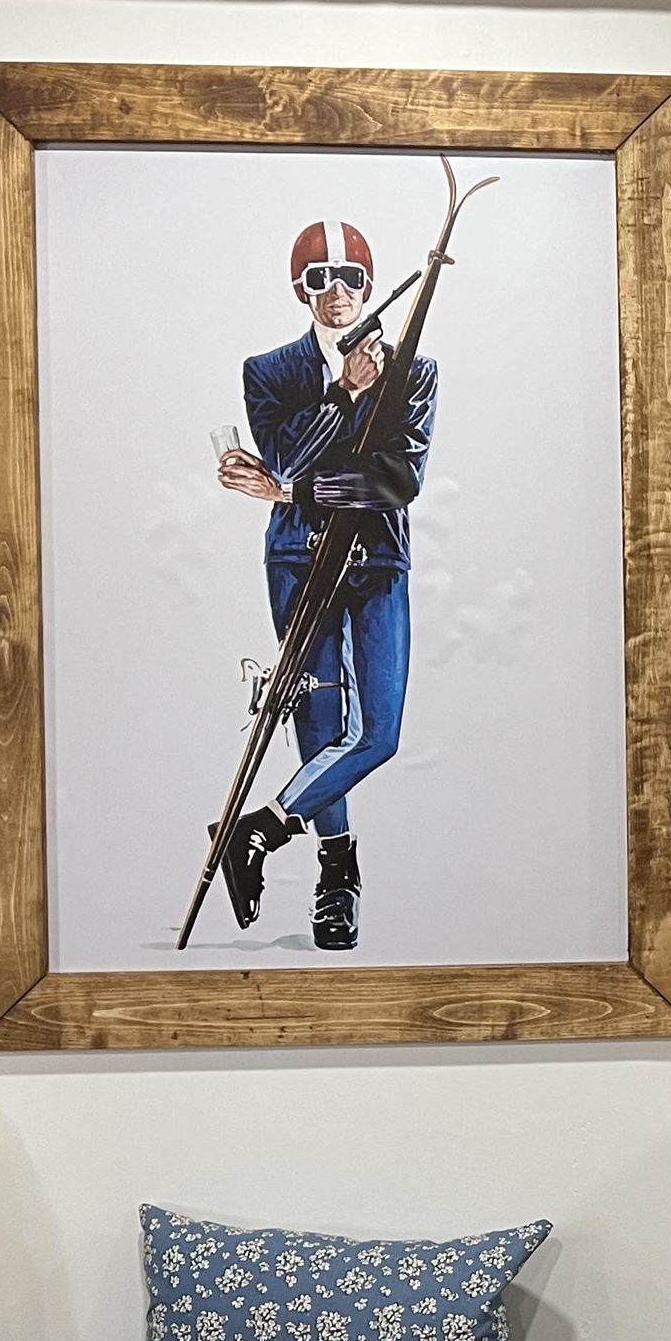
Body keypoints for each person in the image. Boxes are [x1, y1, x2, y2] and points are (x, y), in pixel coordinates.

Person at [210, 220, 437, 949]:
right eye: (318, 278)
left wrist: (290, 491)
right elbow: (284, 451)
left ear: (370, 285)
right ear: (298, 289)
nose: (336, 292)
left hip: (377, 562)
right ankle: (337, 874)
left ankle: (260, 829)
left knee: (379, 733)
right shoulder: (269, 370)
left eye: (350, 278)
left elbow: (397, 482)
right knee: (317, 723)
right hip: (297, 561)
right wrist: (341, 393)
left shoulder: (415, 371)